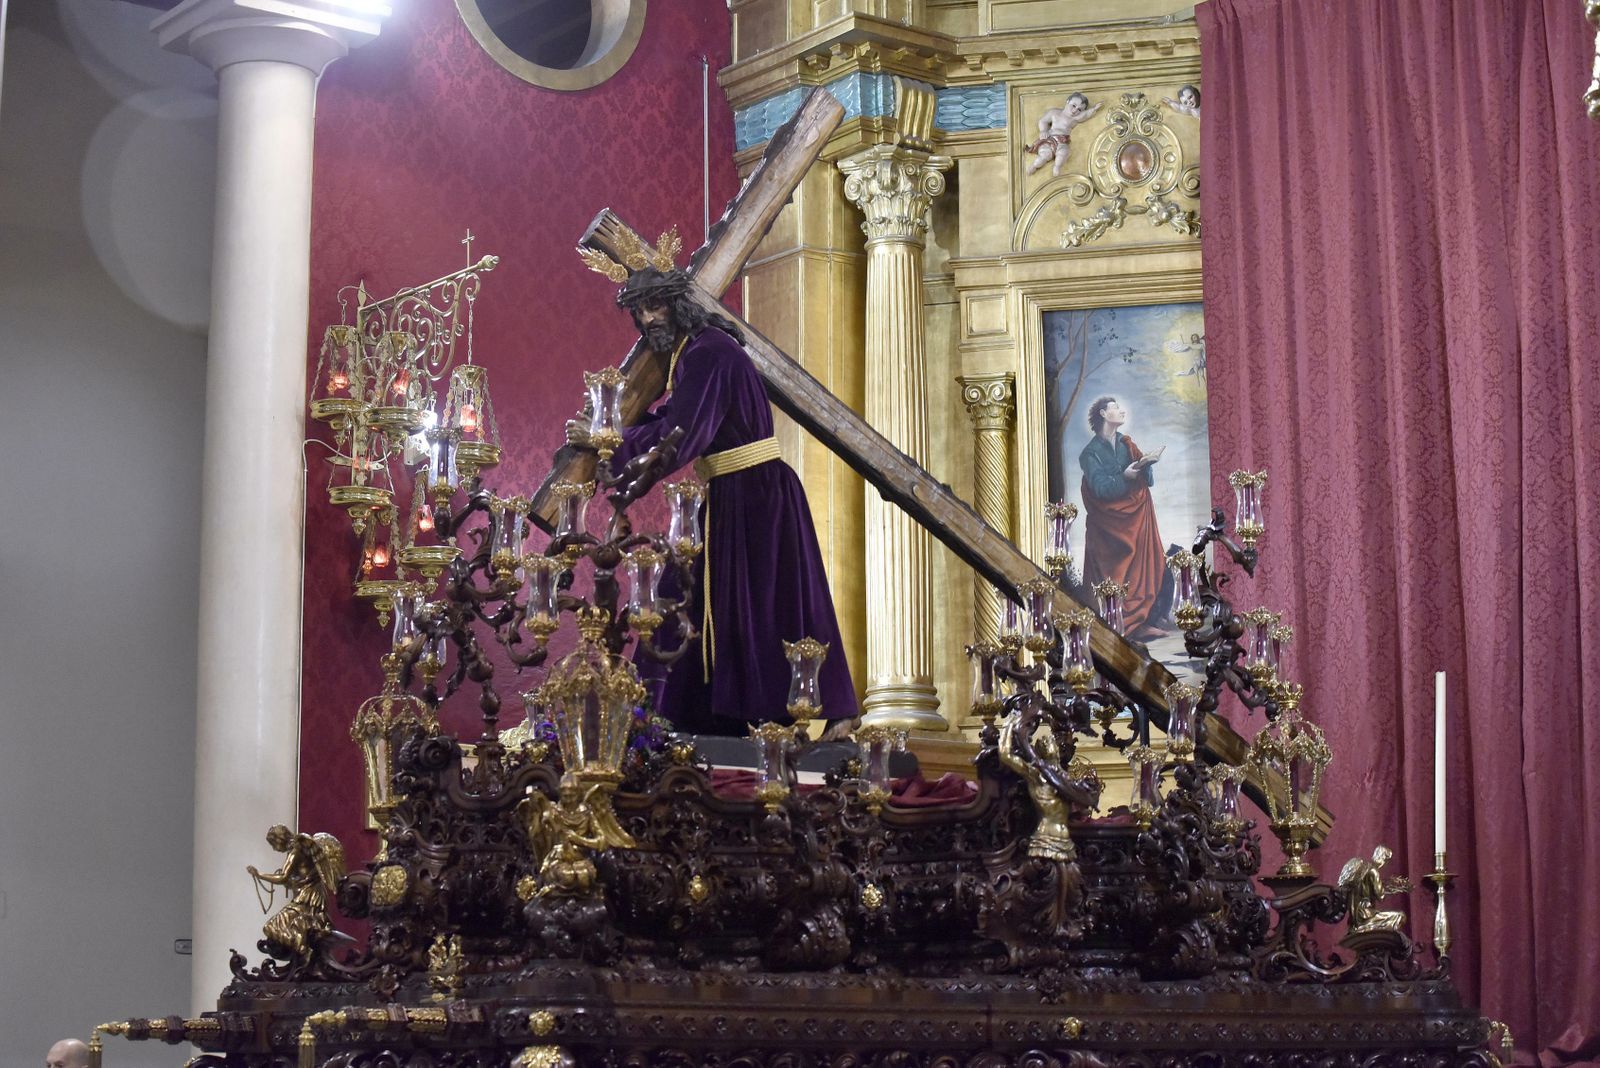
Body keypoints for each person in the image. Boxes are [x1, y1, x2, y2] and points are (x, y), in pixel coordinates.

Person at [574, 250, 859, 740]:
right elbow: (671, 421)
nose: (647, 320)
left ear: (678, 304)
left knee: (772, 605)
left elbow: (683, 434)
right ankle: (690, 716)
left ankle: (825, 710)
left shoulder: (709, 351)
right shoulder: (694, 354)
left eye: (656, 306)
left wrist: (608, 442)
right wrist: (619, 427)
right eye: (639, 312)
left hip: (754, 494)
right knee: (703, 599)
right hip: (735, 493)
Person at [1078, 396, 1172, 640]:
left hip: (1137, 518)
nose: (1121, 411)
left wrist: (1145, 464)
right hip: (1108, 526)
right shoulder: (1090, 454)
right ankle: (1114, 626)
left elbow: (1147, 480)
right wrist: (1125, 477)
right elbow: (1099, 488)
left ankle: (1140, 623)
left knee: (1144, 568)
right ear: (1102, 414)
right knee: (1116, 574)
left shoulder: (1126, 443)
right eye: (1115, 408)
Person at [1024, 92, 1101, 177]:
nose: (1075, 110)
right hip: (1049, 139)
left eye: (1079, 109)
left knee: (1064, 152)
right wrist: (1043, 131)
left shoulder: (1075, 119)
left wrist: (1094, 109)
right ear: (1068, 101)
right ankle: (1034, 166)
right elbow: (1043, 121)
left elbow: (1086, 115)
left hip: (1062, 142)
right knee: (1045, 155)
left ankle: (1057, 167)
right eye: (1074, 106)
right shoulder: (1055, 113)